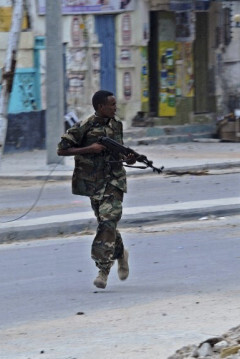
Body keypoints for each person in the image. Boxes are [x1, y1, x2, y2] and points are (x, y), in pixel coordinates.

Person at [57, 90, 135, 289]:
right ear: (101, 107)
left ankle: (103, 270)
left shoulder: (117, 125)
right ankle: (121, 253)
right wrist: (88, 149)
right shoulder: (84, 126)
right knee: (105, 225)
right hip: (94, 184)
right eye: (112, 104)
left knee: (108, 221)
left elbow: (120, 150)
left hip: (115, 181)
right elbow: (62, 149)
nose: (115, 107)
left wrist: (129, 158)